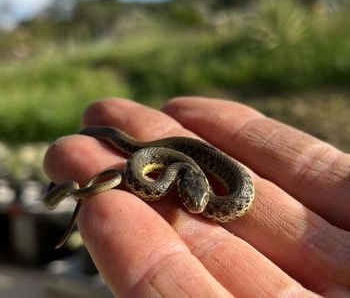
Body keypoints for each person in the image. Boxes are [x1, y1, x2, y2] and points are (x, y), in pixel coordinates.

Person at [44, 97, 350, 297]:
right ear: (179, 186)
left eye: (199, 201)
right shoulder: (158, 169)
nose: (196, 207)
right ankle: (76, 162)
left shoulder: (204, 180)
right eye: (192, 201)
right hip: (156, 161)